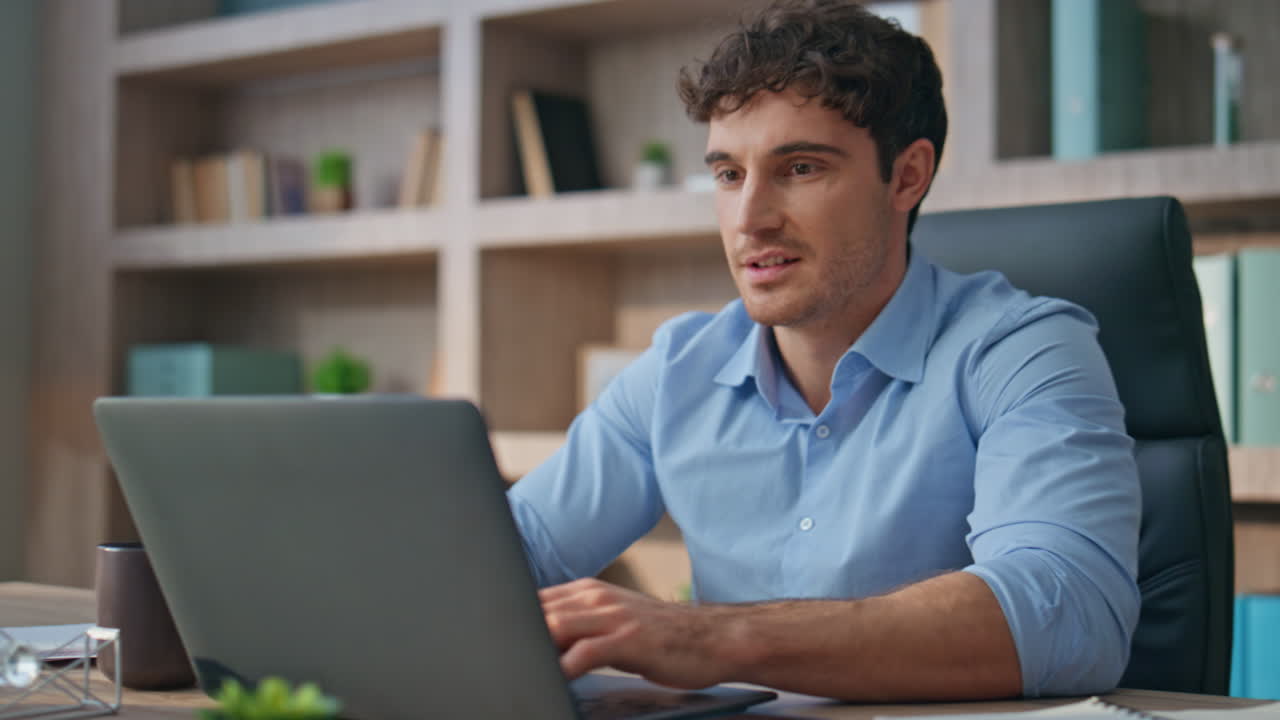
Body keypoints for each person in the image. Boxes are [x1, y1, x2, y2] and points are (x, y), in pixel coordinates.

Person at [507, 0, 1141, 702]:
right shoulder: (677, 368)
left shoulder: (1023, 349)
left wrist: (708, 637)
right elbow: (506, 558)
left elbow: (1070, 615)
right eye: (727, 175)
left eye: (800, 167)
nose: (749, 218)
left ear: (907, 176)